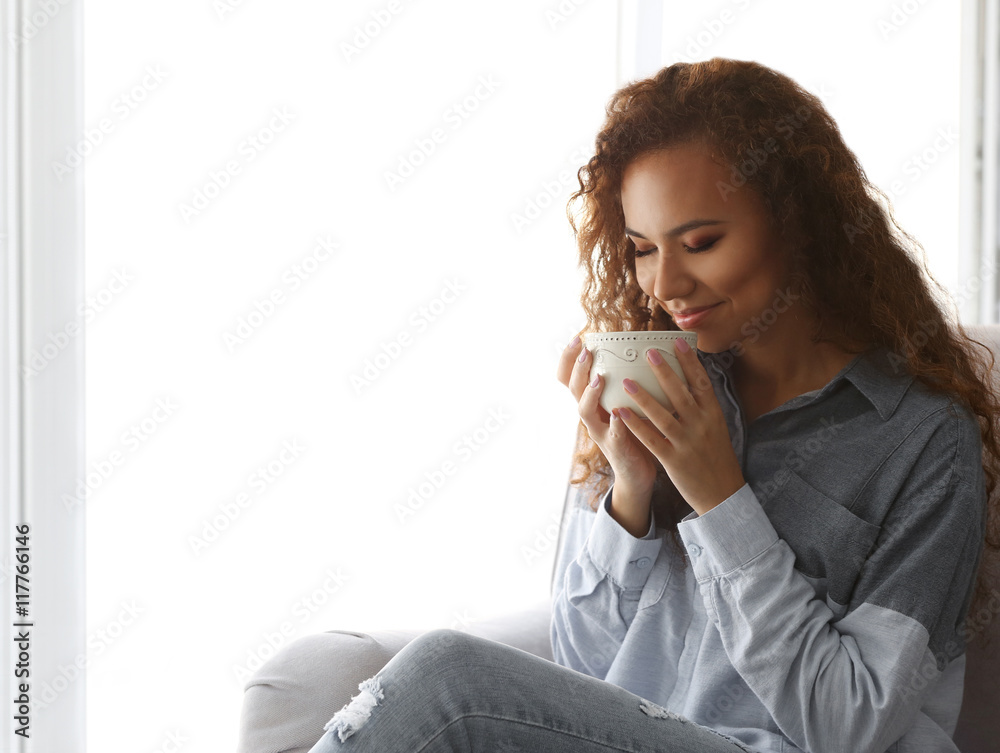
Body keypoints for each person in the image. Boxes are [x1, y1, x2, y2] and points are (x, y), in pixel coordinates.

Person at [304, 58, 1000, 753]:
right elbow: (581, 663)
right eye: (641, 249)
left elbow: (851, 724)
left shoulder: (924, 438)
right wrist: (630, 493)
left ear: (802, 226)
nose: (665, 284)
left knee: (447, 678)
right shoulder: (655, 378)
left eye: (700, 243)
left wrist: (721, 499)